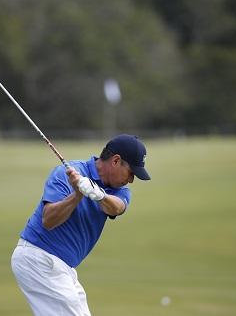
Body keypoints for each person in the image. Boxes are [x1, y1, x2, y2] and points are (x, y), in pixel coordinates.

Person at [11, 134, 151, 316]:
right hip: (39, 258)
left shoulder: (120, 191)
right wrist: (77, 194)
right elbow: (48, 220)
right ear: (116, 161)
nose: (131, 180)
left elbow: (117, 208)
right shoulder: (65, 174)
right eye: (131, 173)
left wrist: (97, 193)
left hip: (63, 267)